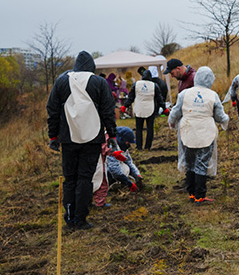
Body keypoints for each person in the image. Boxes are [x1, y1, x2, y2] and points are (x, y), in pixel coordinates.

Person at [47, 50, 118, 230]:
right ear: (91, 67)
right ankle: (81, 218)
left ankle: (69, 217)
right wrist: (112, 134)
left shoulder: (62, 81)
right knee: (85, 178)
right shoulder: (99, 83)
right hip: (93, 136)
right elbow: (108, 111)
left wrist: (53, 136)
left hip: (67, 136)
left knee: (70, 177)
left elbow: (52, 109)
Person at [168, 66, 229, 203]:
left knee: (189, 162)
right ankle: (200, 195)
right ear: (210, 79)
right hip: (206, 133)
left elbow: (175, 112)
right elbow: (220, 116)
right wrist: (226, 121)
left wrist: (172, 123)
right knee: (201, 162)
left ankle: (191, 192)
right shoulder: (213, 95)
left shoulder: (184, 94)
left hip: (187, 131)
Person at [122, 70, 165, 150]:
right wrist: (164, 108)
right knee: (150, 128)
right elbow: (160, 98)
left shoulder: (136, 84)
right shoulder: (154, 85)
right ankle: (147, 147)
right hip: (150, 109)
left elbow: (131, 97)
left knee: (139, 129)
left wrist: (125, 106)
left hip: (139, 108)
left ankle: (139, 147)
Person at [104, 127, 142, 192]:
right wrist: (129, 183)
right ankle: (107, 187)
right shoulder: (112, 145)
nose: (129, 144)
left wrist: (137, 175)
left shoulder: (123, 146)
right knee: (115, 171)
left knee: (126, 168)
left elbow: (129, 162)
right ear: (122, 139)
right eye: (128, 142)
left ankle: (117, 183)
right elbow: (115, 170)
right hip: (103, 168)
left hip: (112, 167)